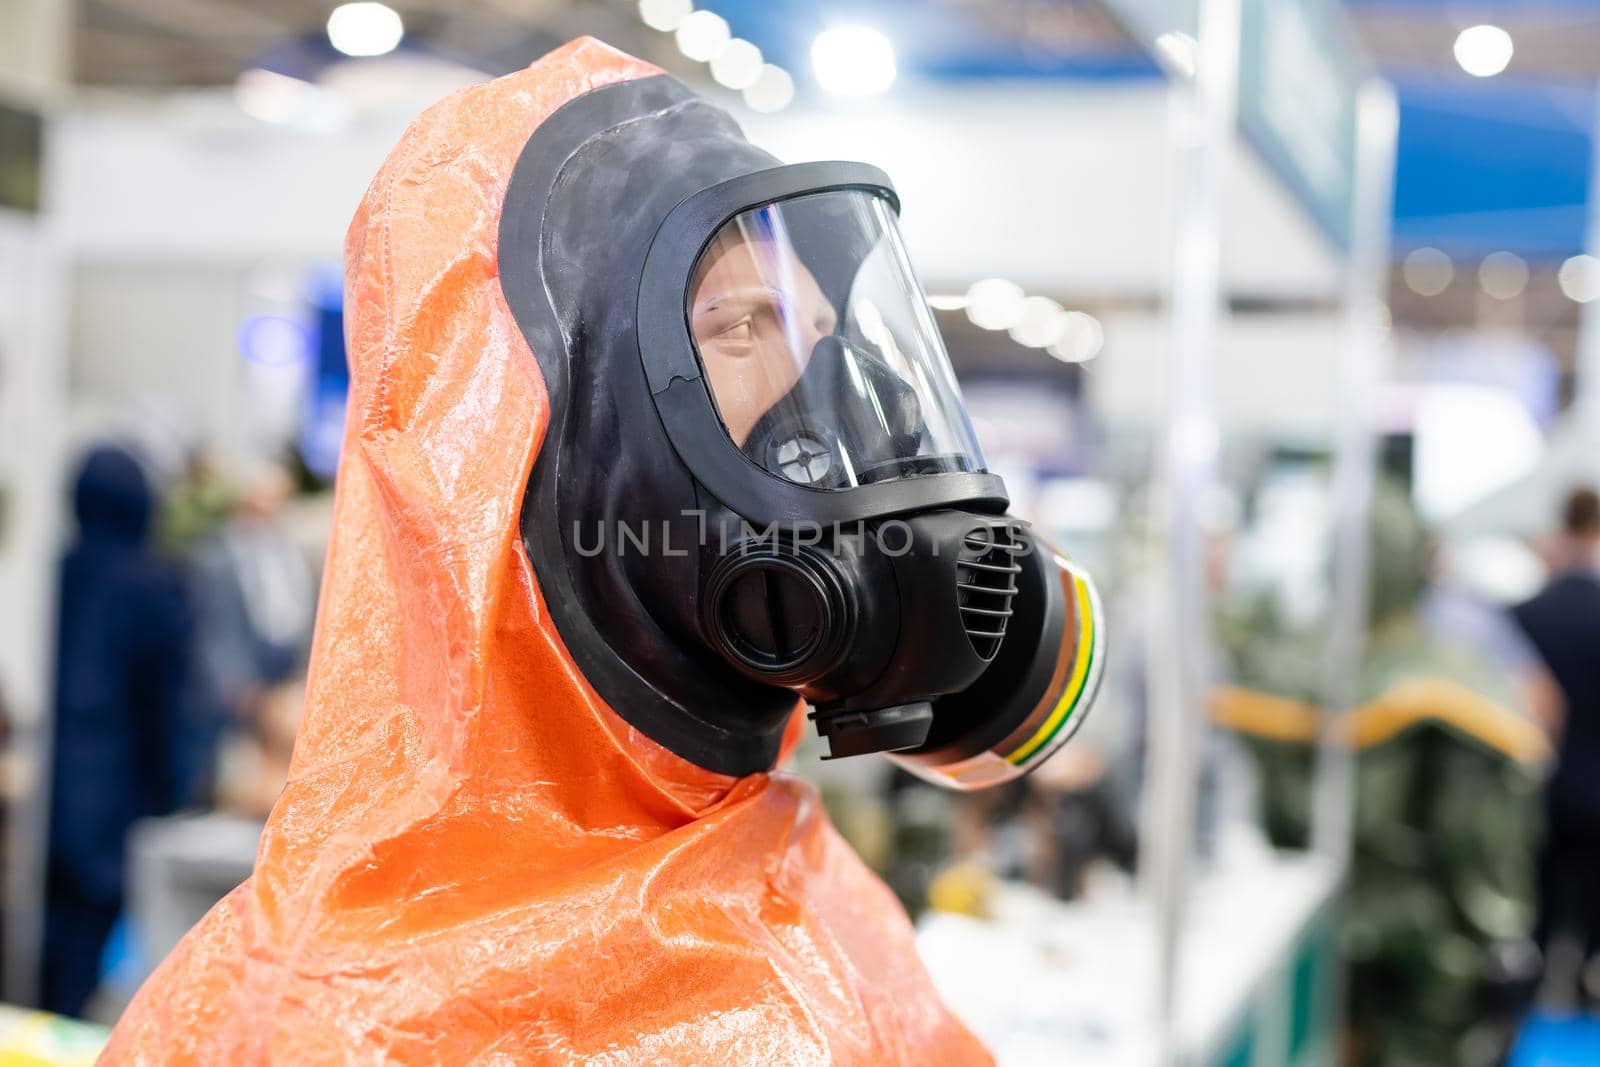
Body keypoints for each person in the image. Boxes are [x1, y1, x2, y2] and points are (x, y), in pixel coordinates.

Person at [104, 39, 1108, 1063]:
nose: (829, 399)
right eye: (744, 324)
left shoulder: (798, 878)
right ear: (547, 433)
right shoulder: (315, 1025)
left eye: (818, 331)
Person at [43, 445, 197, 1018]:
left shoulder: (55, 574)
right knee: (87, 972)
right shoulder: (154, 587)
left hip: (48, 797)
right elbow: (166, 707)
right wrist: (169, 795)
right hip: (113, 801)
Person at [1514, 485, 1600, 1005]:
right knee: (1591, 895)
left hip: (1539, 784)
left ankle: (1536, 983)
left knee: (1541, 898)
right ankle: (1585, 976)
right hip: (1598, 788)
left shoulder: (1527, 613)